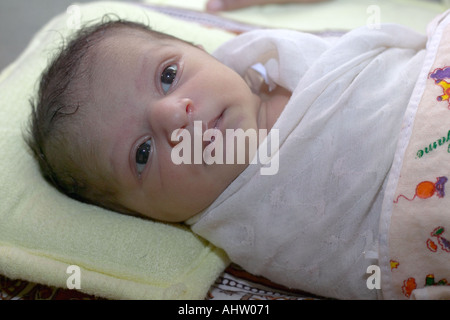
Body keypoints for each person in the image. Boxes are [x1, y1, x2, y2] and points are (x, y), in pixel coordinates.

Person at [26, 15, 427, 299]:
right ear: (147, 216)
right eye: (142, 153)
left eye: (168, 76)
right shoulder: (252, 230)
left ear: (201, 50)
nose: (172, 115)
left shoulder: (286, 60)